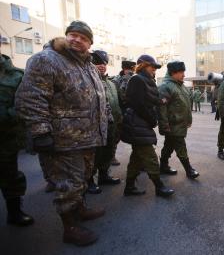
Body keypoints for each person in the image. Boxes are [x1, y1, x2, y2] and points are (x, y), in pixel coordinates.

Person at [15, 20, 108, 246]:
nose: (77, 40)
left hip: (87, 137)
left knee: (83, 178)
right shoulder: (46, 60)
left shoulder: (87, 65)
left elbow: (98, 98)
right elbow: (30, 97)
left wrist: (106, 122)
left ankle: (80, 209)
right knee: (68, 184)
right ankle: (70, 227)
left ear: (89, 44)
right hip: (63, 140)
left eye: (83, 38)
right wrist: (40, 132)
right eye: (73, 35)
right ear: (66, 36)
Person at [121, 54, 174, 197]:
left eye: (156, 68)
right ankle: (159, 186)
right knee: (150, 157)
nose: (154, 70)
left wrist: (161, 101)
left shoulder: (146, 80)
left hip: (141, 124)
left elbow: (150, 98)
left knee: (137, 158)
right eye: (153, 67)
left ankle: (129, 187)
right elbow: (137, 104)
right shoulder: (137, 79)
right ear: (143, 66)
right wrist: (151, 119)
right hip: (137, 124)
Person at [0, 34, 34, 226]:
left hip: (5, 138)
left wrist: (6, 116)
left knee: (10, 177)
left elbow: (24, 104)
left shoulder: (16, 75)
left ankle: (15, 212)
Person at [87, 50, 122, 194]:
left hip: (112, 125)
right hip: (94, 126)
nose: (102, 66)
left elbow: (117, 103)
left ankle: (103, 175)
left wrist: (120, 119)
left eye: (104, 63)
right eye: (98, 63)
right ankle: (89, 181)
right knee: (93, 155)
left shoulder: (112, 83)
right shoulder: (88, 80)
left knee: (107, 152)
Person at [158, 61, 199, 179]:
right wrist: (165, 126)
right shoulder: (165, 87)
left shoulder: (181, 86)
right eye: (181, 72)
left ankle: (163, 166)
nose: (183, 75)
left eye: (183, 72)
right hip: (173, 125)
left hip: (181, 123)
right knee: (180, 146)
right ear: (173, 73)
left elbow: (187, 105)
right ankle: (188, 169)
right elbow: (162, 109)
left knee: (169, 146)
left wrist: (189, 120)